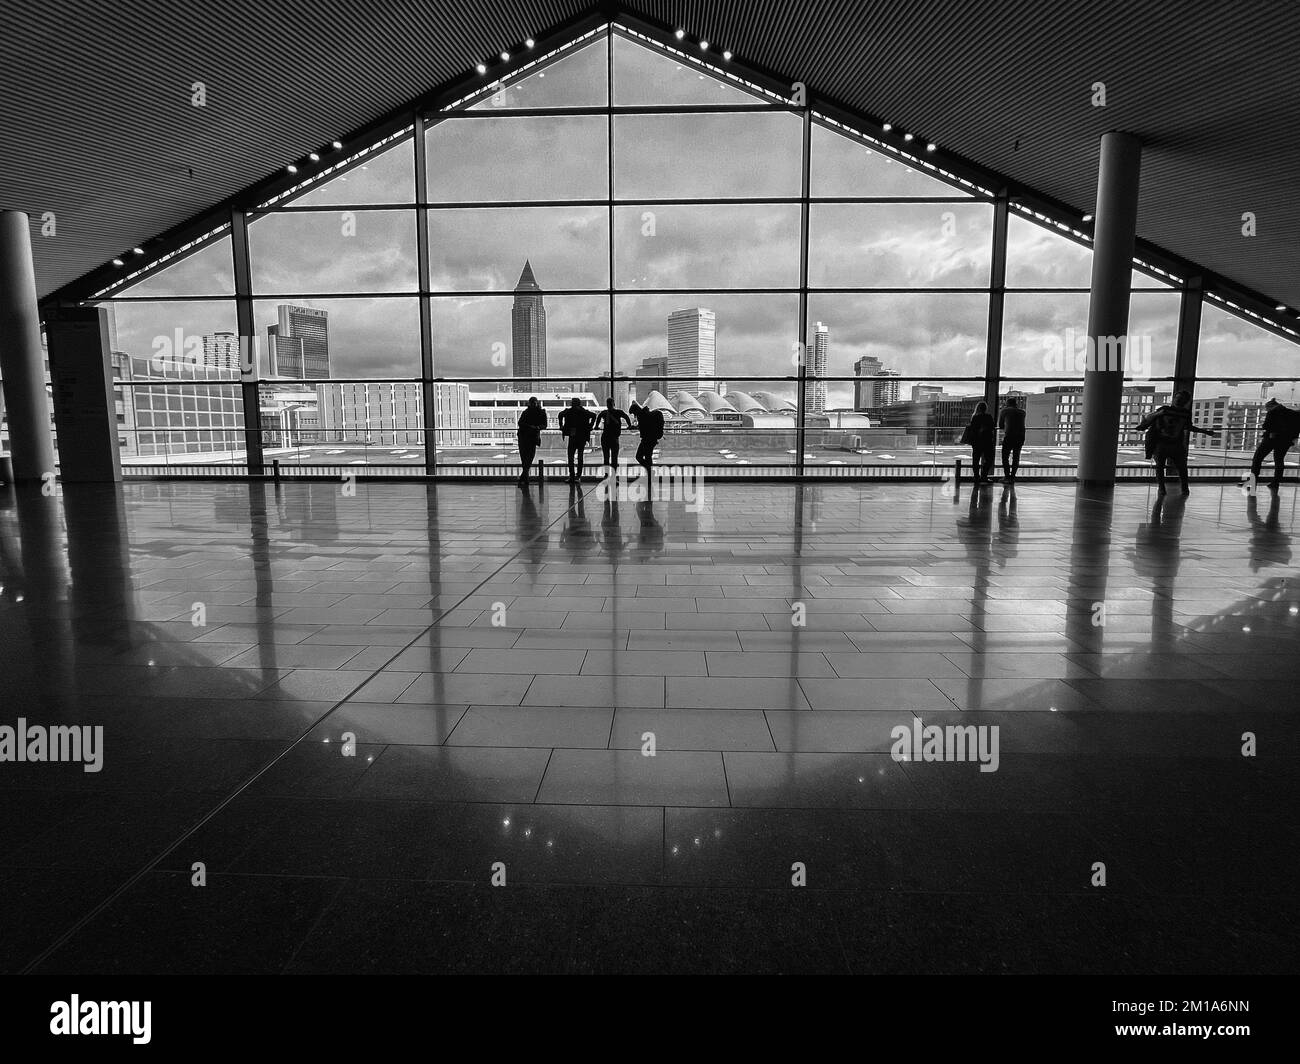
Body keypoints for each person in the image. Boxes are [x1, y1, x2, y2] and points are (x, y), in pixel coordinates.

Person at [1136, 389, 1218, 495]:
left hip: (1163, 443)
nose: (1178, 401)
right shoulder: (1184, 413)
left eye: (1180, 399)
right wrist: (1205, 432)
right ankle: (1184, 488)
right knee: (1181, 467)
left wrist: (1155, 417)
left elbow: (1150, 418)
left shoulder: (1166, 410)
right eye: (1178, 398)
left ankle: (1162, 489)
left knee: (1161, 467)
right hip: (1174, 443)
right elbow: (1188, 427)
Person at [1249, 398, 1299, 492]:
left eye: (1267, 409)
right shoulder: (1293, 413)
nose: (1267, 410)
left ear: (1271, 406)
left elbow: (1266, 426)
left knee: (1257, 458)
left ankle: (1253, 483)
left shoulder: (1272, 412)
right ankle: (1275, 483)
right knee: (1279, 460)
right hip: (1285, 440)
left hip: (1271, 439)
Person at [557, 397, 595, 483]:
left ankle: (572, 476)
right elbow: (594, 416)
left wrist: (561, 425)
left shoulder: (569, 411)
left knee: (570, 457)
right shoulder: (584, 412)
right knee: (580, 457)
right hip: (582, 436)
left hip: (572, 436)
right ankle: (578, 476)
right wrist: (590, 426)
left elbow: (560, 414)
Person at [593, 397, 633, 473]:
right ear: (613, 404)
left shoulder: (604, 413)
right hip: (614, 437)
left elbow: (598, 417)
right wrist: (629, 425)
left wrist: (596, 426)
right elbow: (626, 417)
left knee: (606, 458)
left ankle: (606, 474)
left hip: (605, 437)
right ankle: (613, 475)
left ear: (607, 405)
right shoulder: (618, 412)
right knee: (614, 458)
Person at [516, 396, 547, 489]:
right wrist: (536, 427)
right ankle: (524, 477)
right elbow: (544, 425)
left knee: (525, 457)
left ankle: (524, 477)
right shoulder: (541, 413)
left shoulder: (526, 412)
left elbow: (520, 423)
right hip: (532, 436)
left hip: (524, 436)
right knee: (529, 457)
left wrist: (529, 426)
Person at [631, 400, 665, 483]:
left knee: (640, 456)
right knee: (648, 456)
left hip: (647, 439)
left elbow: (643, 427)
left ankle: (650, 473)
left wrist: (635, 427)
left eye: (633, 413)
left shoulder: (641, 416)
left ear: (635, 411)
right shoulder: (645, 414)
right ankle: (650, 473)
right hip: (651, 439)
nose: (634, 415)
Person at [962, 401, 996, 483]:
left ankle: (976, 476)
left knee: (976, 460)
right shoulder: (988, 417)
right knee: (989, 459)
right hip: (987, 441)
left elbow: (973, 429)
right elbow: (992, 427)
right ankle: (984, 476)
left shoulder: (975, 417)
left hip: (977, 441)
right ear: (985, 408)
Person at [997, 395, 1027, 481]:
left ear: (1007, 403)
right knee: (1016, 457)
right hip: (1020, 436)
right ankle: (1013, 476)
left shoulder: (1004, 411)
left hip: (1009, 436)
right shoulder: (1022, 412)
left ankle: (1007, 476)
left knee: (1005, 456)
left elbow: (1001, 425)